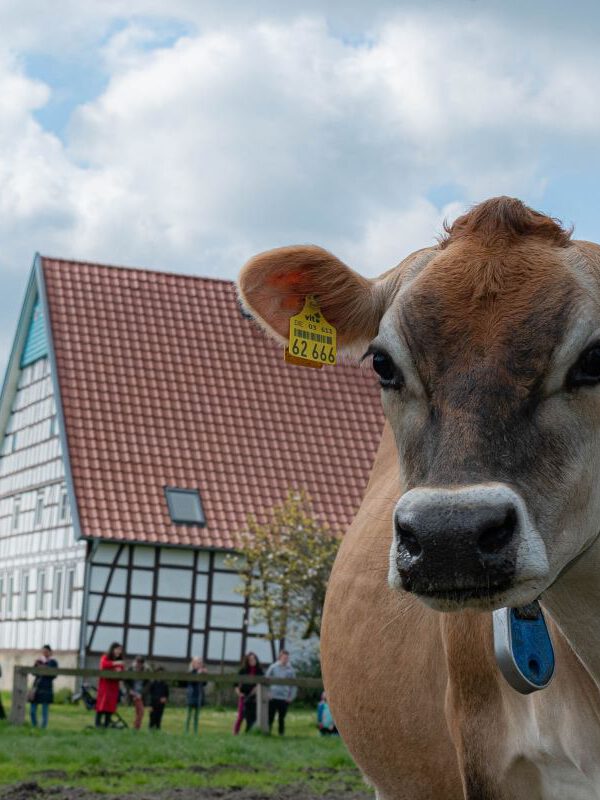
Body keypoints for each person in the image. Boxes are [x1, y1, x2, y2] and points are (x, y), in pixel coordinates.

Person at [265, 649, 296, 736]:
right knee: (270, 716)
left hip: (284, 697)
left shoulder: (291, 670)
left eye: (287, 658)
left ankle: (281, 733)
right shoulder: (273, 667)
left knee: (282, 717)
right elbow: (266, 681)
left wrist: (291, 697)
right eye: (284, 657)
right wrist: (268, 693)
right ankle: (268, 732)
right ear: (280, 657)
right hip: (273, 696)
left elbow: (294, 685)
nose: (285, 659)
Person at [95, 642, 124, 727]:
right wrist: (115, 664)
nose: (119, 651)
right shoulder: (105, 657)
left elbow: (121, 670)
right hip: (105, 685)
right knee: (102, 705)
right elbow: (104, 665)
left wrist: (116, 667)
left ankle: (106, 725)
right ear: (113, 649)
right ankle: (97, 724)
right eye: (118, 649)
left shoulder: (120, 660)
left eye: (120, 650)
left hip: (114, 686)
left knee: (110, 706)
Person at [234, 651, 263, 734]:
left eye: (254, 659)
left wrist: (256, 689)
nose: (252, 661)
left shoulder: (259, 671)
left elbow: (262, 682)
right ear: (247, 661)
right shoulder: (243, 670)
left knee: (252, 716)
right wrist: (239, 693)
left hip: (254, 696)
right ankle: (236, 732)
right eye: (250, 659)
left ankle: (249, 731)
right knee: (241, 715)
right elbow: (235, 683)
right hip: (244, 695)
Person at [29, 645, 58, 728]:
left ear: (50, 652)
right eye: (43, 651)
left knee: (44, 711)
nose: (44, 653)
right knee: (32, 711)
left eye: (46, 651)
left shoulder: (53, 662)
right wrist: (37, 666)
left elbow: (54, 675)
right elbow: (33, 673)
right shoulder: (39, 660)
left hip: (46, 688)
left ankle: (43, 728)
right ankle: (35, 726)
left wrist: (45, 668)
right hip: (36, 688)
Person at [185, 656, 207, 734]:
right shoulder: (191, 672)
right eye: (198, 663)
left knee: (196, 716)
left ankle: (195, 732)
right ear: (194, 664)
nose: (200, 665)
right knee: (188, 715)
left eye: (201, 663)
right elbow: (191, 683)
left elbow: (204, 683)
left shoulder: (201, 673)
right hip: (191, 695)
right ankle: (186, 731)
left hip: (199, 695)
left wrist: (204, 675)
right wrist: (198, 674)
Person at [128, 655, 149, 730]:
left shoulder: (146, 670)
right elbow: (126, 681)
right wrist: (130, 690)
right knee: (141, 711)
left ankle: (136, 727)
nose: (138, 665)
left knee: (139, 711)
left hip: (141, 693)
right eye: (137, 663)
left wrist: (142, 693)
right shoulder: (130, 669)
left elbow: (148, 683)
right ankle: (136, 728)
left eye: (140, 663)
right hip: (133, 692)